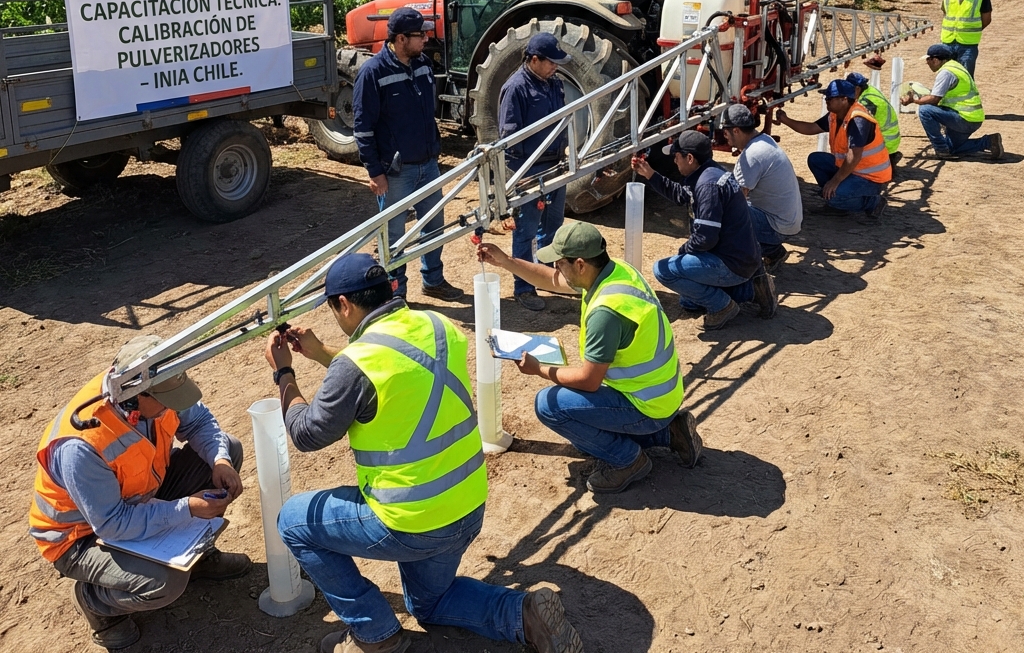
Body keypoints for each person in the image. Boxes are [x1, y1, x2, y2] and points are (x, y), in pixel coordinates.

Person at [265, 253, 582, 653]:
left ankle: (375, 634)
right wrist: (323, 352)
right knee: (429, 603)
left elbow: (307, 433)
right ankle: (523, 615)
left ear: (343, 304)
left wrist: (284, 374)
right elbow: (395, 373)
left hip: (411, 520)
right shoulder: (438, 325)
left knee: (294, 521)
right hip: (466, 506)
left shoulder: (355, 365)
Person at [29, 335, 249, 650]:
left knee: (231, 448)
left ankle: (196, 558)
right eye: (166, 399)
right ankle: (97, 603)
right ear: (133, 396)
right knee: (164, 584)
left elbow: (199, 421)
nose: (174, 405)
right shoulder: (82, 445)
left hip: (140, 498)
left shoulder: (156, 389)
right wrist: (186, 507)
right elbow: (113, 524)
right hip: (80, 538)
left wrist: (221, 459)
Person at [476, 222, 703, 495]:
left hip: (646, 404)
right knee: (579, 411)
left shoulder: (606, 312)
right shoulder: (616, 271)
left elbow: (588, 380)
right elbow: (551, 280)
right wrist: (506, 261)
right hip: (660, 394)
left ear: (581, 264)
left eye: (560, 263)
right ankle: (669, 434)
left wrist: (540, 369)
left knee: (550, 406)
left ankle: (628, 460)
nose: (557, 269)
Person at [353, 6, 461, 302]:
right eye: (420, 35)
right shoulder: (372, 73)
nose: (426, 39)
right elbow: (363, 129)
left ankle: (433, 280)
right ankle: (396, 293)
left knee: (434, 226)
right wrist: (375, 171)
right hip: (395, 172)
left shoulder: (423, 65)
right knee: (394, 236)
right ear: (401, 38)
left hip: (428, 164)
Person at [632, 130, 776, 330]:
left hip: (731, 262)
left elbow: (705, 238)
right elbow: (681, 195)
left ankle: (722, 307)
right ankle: (750, 290)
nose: (675, 161)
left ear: (690, 158)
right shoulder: (709, 171)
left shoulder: (707, 185)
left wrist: (683, 252)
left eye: (677, 156)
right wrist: (649, 174)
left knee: (664, 271)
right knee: (688, 301)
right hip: (740, 258)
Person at [498, 31, 571, 310]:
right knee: (526, 230)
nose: (555, 67)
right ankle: (524, 286)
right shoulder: (515, 88)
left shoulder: (554, 84)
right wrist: (519, 177)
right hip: (528, 169)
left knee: (553, 224)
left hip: (555, 165)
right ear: (535, 59)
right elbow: (509, 137)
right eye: (551, 62)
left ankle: (546, 274)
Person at [776, 79, 891, 217]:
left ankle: (873, 202)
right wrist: (785, 120)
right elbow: (811, 128)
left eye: (830, 97)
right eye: (826, 96)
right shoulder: (835, 115)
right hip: (851, 169)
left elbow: (854, 156)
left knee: (835, 198)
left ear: (844, 99)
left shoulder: (858, 119)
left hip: (870, 177)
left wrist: (835, 181)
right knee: (816, 159)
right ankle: (837, 200)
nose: (827, 100)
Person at [720, 104, 802, 271]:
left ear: (736, 131)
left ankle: (762, 253)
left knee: (724, 216)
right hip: (786, 220)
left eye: (725, 131)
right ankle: (772, 249)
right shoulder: (764, 140)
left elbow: (737, 201)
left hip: (777, 226)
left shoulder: (751, 156)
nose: (724, 136)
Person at [901, 42, 1003, 160]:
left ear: (936, 60)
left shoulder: (946, 73)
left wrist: (914, 100)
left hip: (964, 119)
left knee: (925, 110)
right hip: (972, 118)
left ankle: (940, 149)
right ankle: (989, 142)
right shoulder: (955, 66)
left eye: (928, 59)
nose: (927, 63)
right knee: (953, 148)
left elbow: (934, 99)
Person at [940, 0, 991, 77]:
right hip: (948, 42)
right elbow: (945, 13)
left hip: (968, 44)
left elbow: (986, 19)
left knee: (965, 76)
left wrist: (971, 29)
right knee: (947, 75)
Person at [846, 72, 901, 167]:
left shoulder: (867, 102)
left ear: (857, 89)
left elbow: (861, 124)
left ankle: (886, 161)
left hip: (886, 143)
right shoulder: (870, 90)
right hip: (891, 138)